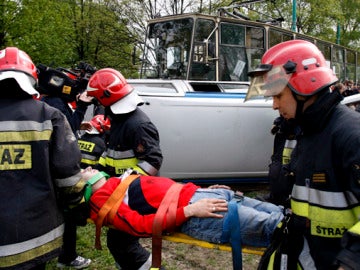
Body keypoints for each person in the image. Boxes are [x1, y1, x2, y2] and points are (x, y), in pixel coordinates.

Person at [246, 39, 360, 269]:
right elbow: (286, 198)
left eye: (278, 96)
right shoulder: (297, 132)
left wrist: (350, 261)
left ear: (304, 87)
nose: (274, 106)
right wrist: (245, 203)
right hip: (300, 253)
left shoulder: (350, 135)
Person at [80, 167, 284, 266]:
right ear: (80, 187)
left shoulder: (114, 182)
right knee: (280, 228)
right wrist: (189, 211)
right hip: (198, 214)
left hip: (206, 196)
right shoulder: (101, 201)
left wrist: (203, 191)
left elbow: (165, 192)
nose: (87, 167)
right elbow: (140, 226)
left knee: (285, 215)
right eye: (81, 171)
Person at [0, 47, 86, 269]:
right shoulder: (48, 116)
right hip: (33, 236)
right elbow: (68, 177)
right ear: (31, 78)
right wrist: (78, 208)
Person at [86, 68, 163, 269]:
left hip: (135, 194)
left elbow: (153, 161)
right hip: (120, 193)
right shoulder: (119, 121)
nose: (98, 104)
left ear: (107, 98)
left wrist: (124, 186)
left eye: (98, 99)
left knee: (120, 242)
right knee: (118, 241)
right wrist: (96, 170)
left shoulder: (138, 125)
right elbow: (110, 155)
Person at [37, 64, 94, 268]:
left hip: (44, 169)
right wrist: (82, 107)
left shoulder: (46, 102)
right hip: (58, 170)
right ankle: (67, 256)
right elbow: (68, 130)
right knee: (68, 213)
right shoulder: (57, 104)